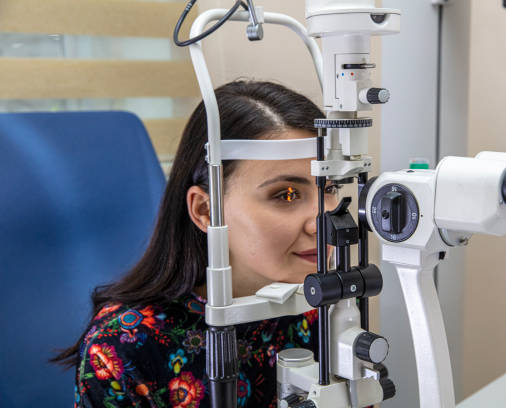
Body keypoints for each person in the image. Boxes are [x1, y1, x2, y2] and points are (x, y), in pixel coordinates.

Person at [52, 80, 341, 408]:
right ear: (205, 210)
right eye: (286, 194)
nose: (324, 220)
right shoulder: (127, 345)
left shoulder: (327, 310)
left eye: (329, 188)